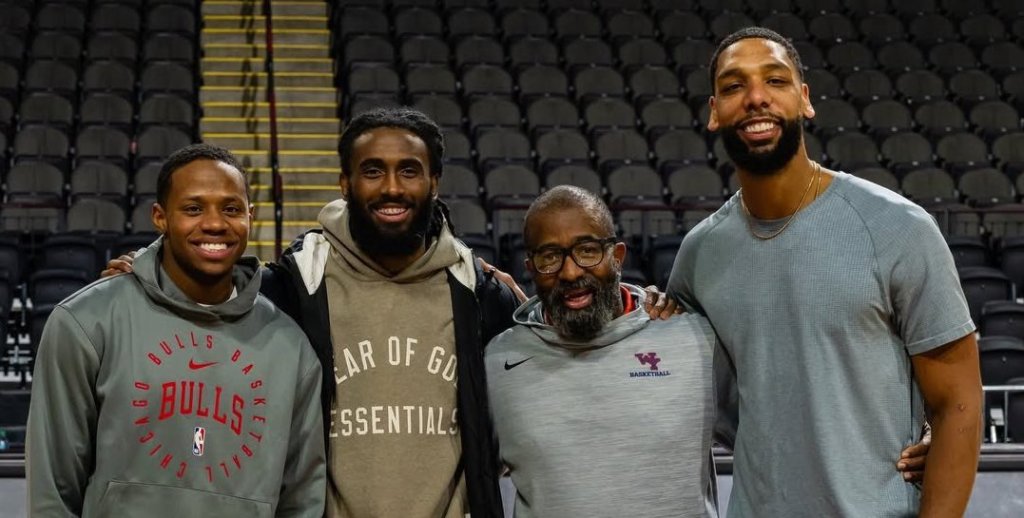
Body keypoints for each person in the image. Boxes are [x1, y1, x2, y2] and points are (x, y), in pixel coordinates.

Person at [667, 27, 982, 517]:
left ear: (805, 99)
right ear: (714, 111)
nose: (755, 97)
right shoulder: (699, 254)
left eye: (775, 80)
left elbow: (959, 402)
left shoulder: (897, 227)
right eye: (733, 86)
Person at [27, 144, 326, 516]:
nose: (215, 223)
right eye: (193, 208)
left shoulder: (291, 348)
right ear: (160, 217)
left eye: (232, 209)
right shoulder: (86, 322)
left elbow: (303, 501)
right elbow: (52, 494)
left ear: (251, 216)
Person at [257, 107, 518, 517]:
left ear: (435, 183)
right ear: (345, 183)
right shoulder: (291, 289)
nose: (392, 187)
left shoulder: (481, 296)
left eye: (409, 171)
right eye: (373, 171)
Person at [485, 185, 719, 517]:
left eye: (587, 250)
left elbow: (766, 446)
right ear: (531, 268)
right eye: (550, 257)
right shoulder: (499, 362)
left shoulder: (693, 339)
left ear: (617, 256)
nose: (570, 272)